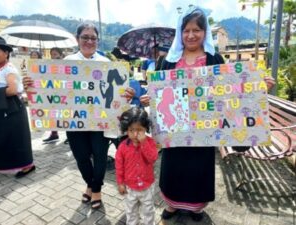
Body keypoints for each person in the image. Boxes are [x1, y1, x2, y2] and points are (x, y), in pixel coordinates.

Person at [138, 6, 275, 221]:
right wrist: (150, 97)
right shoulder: (168, 61)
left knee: (198, 166)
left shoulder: (214, 60)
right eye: (186, 31)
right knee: (174, 165)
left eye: (197, 30)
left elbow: (231, 90)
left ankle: (196, 207)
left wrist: (257, 87)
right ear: (180, 33)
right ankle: (172, 204)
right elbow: (159, 92)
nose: (191, 35)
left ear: (205, 32)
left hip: (205, 128)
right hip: (176, 126)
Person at [23, 22, 135, 209]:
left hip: (101, 122)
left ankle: (96, 189)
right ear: (78, 39)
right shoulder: (67, 62)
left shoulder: (107, 64)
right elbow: (52, 91)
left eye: (93, 38)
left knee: (100, 156)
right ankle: (90, 183)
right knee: (81, 157)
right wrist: (32, 84)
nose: (89, 41)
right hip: (74, 121)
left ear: (97, 41)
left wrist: (127, 94)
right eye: (85, 37)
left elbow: (118, 91)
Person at [0, 35, 35, 178]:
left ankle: (27, 166)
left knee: (16, 139)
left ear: (6, 53)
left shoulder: (9, 69)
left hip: (12, 108)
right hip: (0, 107)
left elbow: (12, 90)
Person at [115, 107, 158, 225]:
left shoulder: (150, 142)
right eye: (131, 130)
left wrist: (144, 142)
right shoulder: (123, 146)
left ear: (146, 129)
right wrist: (120, 183)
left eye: (139, 130)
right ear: (126, 130)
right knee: (131, 211)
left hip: (147, 186)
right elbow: (119, 166)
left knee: (148, 211)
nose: (135, 134)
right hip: (130, 187)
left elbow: (152, 158)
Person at [42, 47, 64, 144]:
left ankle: (70, 135)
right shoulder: (49, 65)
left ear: (60, 54)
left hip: (64, 94)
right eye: (51, 54)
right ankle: (54, 133)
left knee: (67, 115)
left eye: (55, 54)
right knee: (53, 114)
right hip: (53, 93)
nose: (53, 56)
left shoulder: (66, 65)